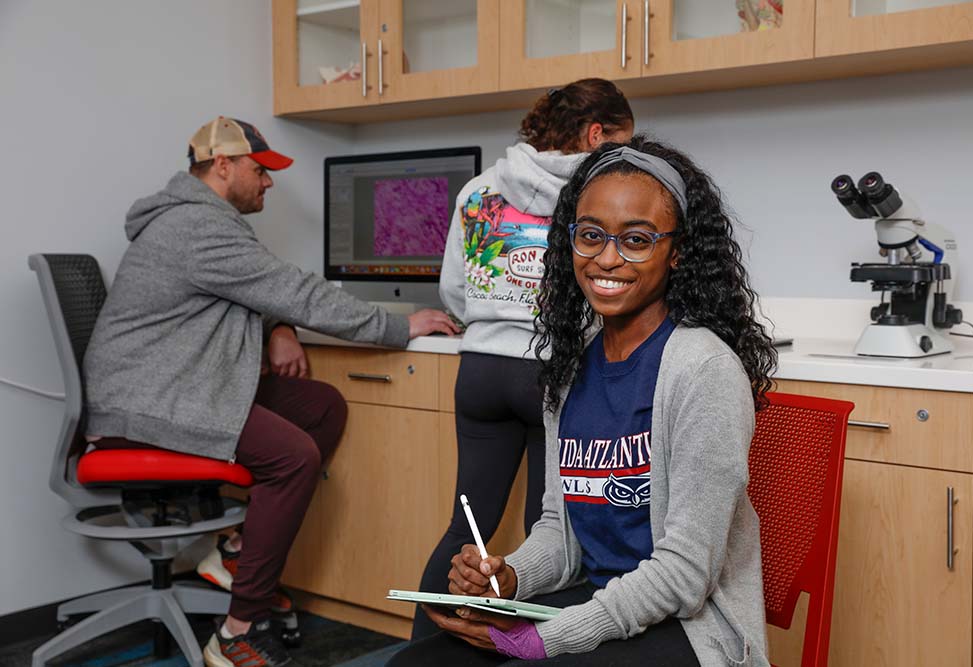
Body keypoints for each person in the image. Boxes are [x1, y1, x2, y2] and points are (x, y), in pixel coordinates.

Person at [82, 116, 459, 667]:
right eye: (261, 170)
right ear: (223, 166)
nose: (269, 182)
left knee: (321, 405)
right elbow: (291, 289)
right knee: (293, 458)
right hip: (149, 403)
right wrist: (401, 327)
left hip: (177, 383)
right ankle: (236, 632)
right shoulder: (198, 227)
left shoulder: (202, 221)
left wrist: (278, 329)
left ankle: (236, 552)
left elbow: (242, 294)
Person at [389, 136, 778, 666]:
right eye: (591, 235)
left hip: (689, 628)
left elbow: (686, 576)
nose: (607, 259)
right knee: (419, 663)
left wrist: (546, 638)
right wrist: (511, 576)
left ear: (678, 251)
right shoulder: (572, 365)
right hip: (598, 600)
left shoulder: (701, 370)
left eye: (637, 239)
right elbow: (560, 531)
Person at [412, 79, 634, 640]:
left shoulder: (480, 189)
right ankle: (527, 650)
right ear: (595, 133)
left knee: (467, 526)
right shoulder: (596, 193)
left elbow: (454, 291)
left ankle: (425, 650)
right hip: (553, 370)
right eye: (622, 143)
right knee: (550, 534)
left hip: (481, 369)